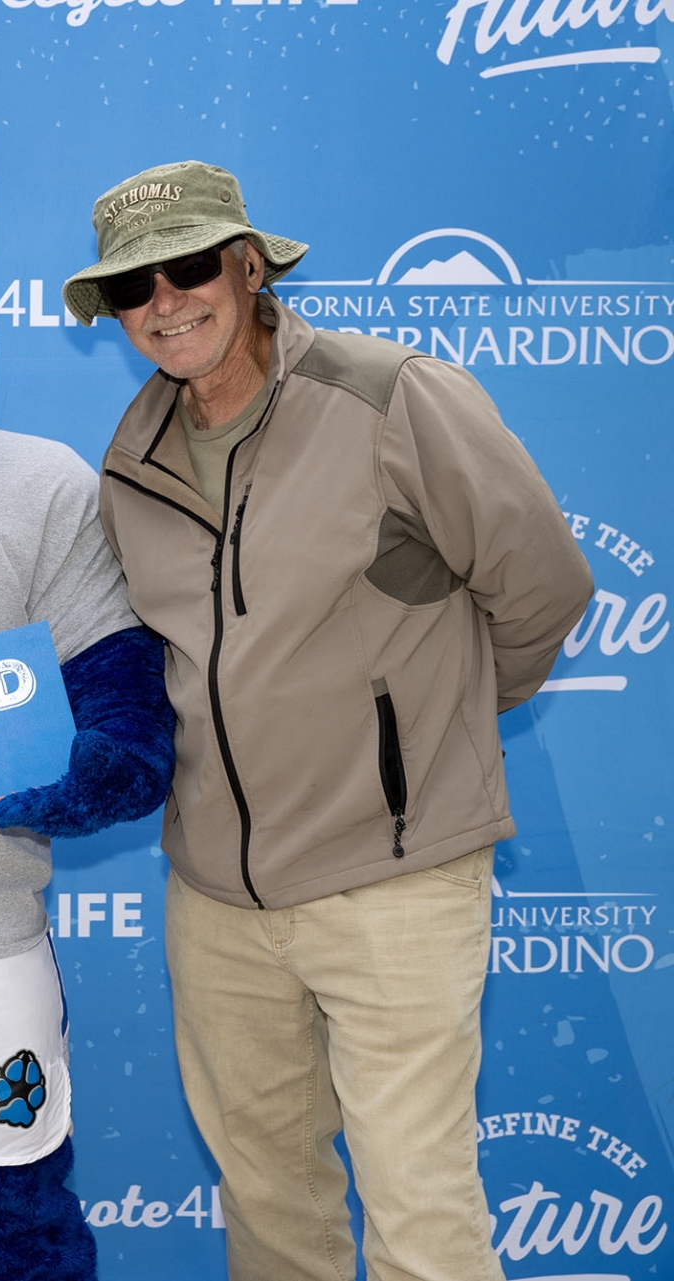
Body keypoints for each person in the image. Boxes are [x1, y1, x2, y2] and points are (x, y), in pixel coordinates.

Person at [63, 161, 595, 1281]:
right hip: (217, 903)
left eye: (190, 266)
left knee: (420, 1213)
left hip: (392, 883)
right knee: (271, 1209)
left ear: (250, 267)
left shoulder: (392, 394)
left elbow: (543, 586)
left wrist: (415, 740)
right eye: (132, 287)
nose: (166, 301)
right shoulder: (129, 459)